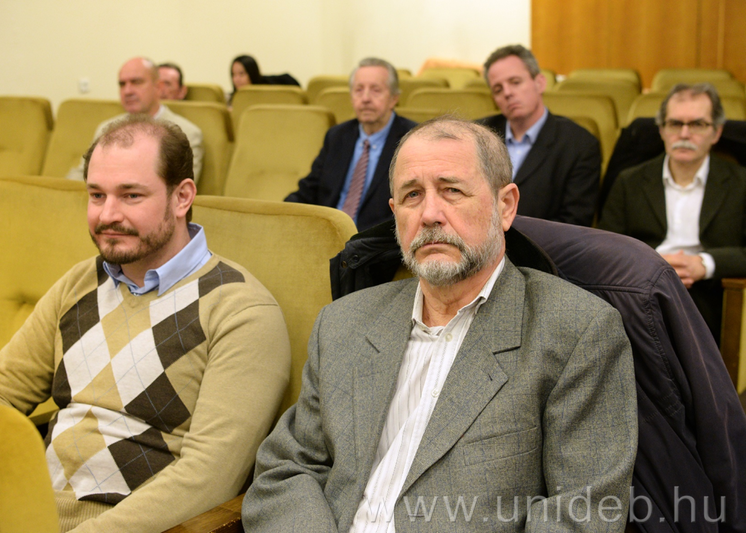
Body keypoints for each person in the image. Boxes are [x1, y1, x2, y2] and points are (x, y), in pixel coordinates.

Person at [244, 117, 637, 531]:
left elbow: (581, 514)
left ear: (505, 206)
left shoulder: (576, 333)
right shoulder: (343, 323)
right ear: (395, 214)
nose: (430, 214)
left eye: (452, 191)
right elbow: (285, 470)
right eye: (412, 195)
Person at [0, 116, 291, 533]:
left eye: (131, 195)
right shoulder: (81, 281)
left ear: (182, 197)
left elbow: (208, 478)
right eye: (96, 195)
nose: (107, 215)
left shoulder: (240, 310)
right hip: (16, 509)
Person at [599, 83, 746, 344]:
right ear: (662, 130)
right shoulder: (630, 181)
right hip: (639, 291)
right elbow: (605, 247)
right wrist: (651, 263)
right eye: (675, 124)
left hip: (712, 294)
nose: (684, 133)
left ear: (716, 132)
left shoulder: (741, 183)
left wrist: (705, 264)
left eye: (698, 124)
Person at [285, 57, 416, 231]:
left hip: (377, 240)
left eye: (375, 90)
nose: (365, 98)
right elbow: (309, 190)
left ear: (394, 98)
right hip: (328, 233)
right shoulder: (337, 136)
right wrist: (282, 213)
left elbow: (411, 207)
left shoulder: (412, 140)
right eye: (359, 90)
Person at [477, 45, 601, 226]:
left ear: (540, 83)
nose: (507, 93)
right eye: (498, 89)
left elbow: (574, 223)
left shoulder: (579, 144)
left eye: (515, 82)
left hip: (543, 243)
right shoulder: (478, 134)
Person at [67, 57, 203, 182]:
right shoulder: (106, 128)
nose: (127, 91)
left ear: (158, 87)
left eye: (136, 82)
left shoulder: (187, 133)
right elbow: (81, 174)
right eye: (122, 84)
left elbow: (180, 188)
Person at [228, 55, 300, 105]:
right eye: (234, 74)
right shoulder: (231, 99)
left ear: (252, 74)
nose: (236, 79)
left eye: (241, 74)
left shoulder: (269, 93)